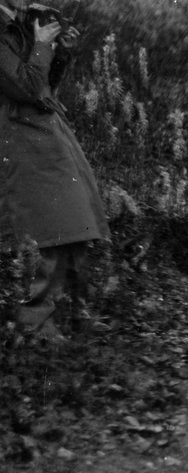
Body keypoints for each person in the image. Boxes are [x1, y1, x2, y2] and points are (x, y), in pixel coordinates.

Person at [0, 0, 109, 345]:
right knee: (48, 224)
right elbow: (25, 87)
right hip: (16, 134)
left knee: (78, 215)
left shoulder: (19, 22)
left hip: (43, 129)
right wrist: (44, 45)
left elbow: (45, 84)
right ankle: (36, 324)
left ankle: (78, 313)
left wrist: (60, 52)